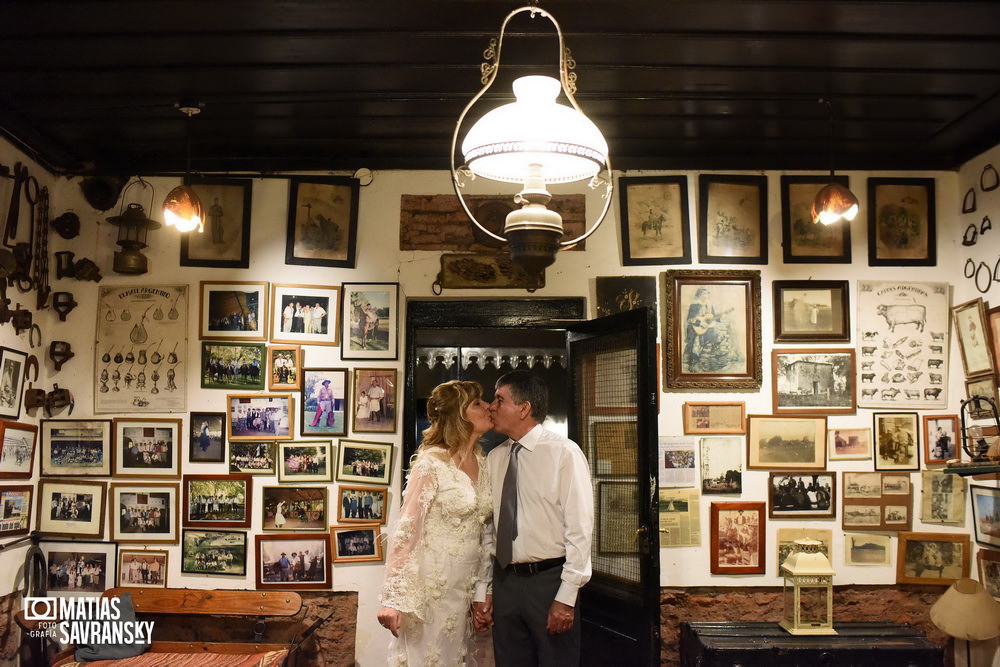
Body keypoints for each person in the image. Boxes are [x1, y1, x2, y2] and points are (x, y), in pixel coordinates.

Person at [473, 370, 594, 667]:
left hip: (549, 582)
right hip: (505, 583)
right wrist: (484, 589)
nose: (491, 406)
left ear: (524, 408)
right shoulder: (495, 458)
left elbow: (580, 528)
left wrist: (566, 596)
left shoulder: (564, 453)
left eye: (499, 400)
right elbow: (489, 528)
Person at [377, 380, 493, 665]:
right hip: (431, 591)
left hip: (464, 590)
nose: (489, 407)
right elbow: (407, 531)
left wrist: (483, 591)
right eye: (478, 403)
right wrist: (393, 598)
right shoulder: (431, 464)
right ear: (459, 414)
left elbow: (486, 533)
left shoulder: (485, 462)